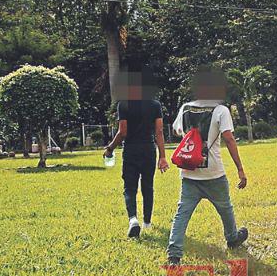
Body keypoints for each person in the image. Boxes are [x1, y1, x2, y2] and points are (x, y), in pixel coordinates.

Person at [167, 68, 249, 265]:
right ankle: (232, 238)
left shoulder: (185, 108)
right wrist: (240, 168)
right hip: (213, 173)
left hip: (188, 171)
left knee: (182, 213)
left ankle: (174, 254)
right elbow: (229, 139)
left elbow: (177, 130)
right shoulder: (221, 110)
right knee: (225, 207)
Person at [104, 71, 168, 238]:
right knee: (148, 186)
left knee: (129, 188)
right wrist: (162, 156)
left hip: (131, 149)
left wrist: (110, 148)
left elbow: (122, 132)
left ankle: (133, 219)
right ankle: (147, 222)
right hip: (148, 149)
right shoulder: (155, 105)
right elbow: (159, 132)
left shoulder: (123, 104)